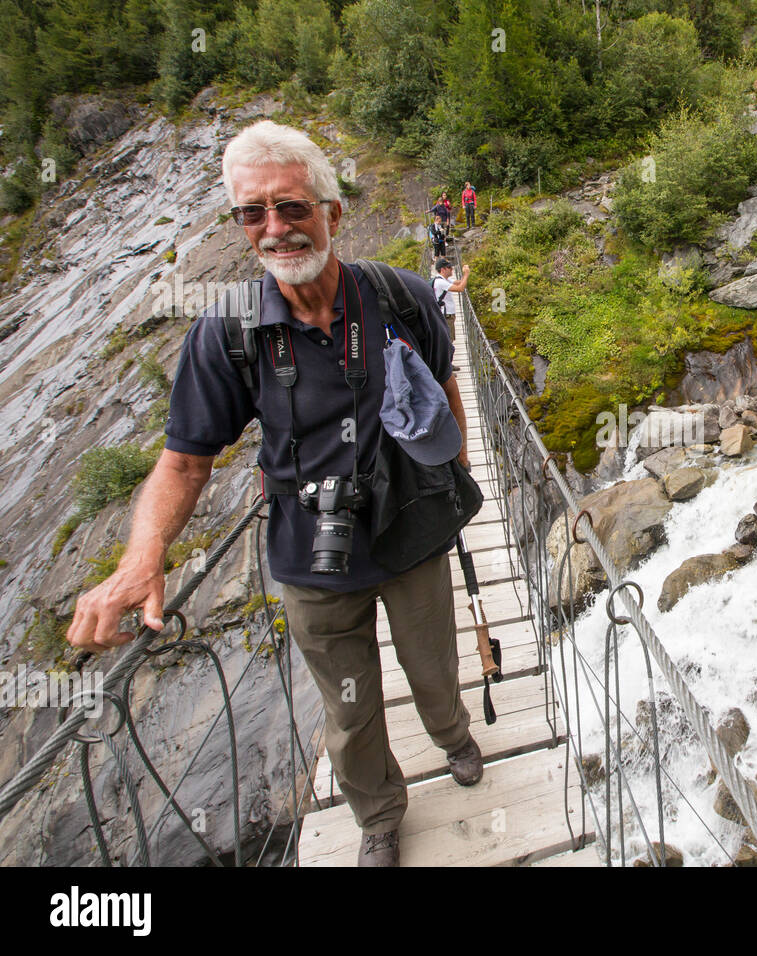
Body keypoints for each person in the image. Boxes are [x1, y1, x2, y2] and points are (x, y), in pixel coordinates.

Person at [64, 120, 482, 868]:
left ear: (332, 212)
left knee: (433, 667)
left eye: (291, 206)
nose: (274, 227)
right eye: (252, 212)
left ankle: (453, 736)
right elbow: (184, 463)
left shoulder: (403, 296)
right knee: (350, 708)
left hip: (415, 531)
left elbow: (449, 388)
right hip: (311, 555)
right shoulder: (226, 333)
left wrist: (453, 480)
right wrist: (141, 557)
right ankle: (379, 817)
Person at [432, 256, 469, 346]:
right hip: (446, 316)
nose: (452, 269)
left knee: (448, 340)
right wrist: (467, 274)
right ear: (443, 269)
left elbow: (460, 282)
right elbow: (460, 288)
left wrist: (464, 275)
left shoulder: (444, 279)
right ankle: (447, 359)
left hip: (447, 315)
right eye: (449, 267)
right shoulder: (440, 282)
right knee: (448, 341)